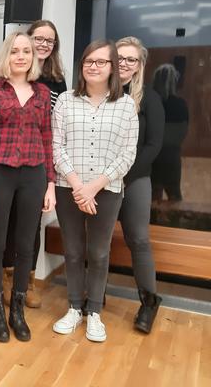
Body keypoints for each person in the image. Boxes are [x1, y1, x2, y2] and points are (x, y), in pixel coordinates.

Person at [52, 39, 138, 343]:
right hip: (68, 188)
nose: (93, 66)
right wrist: (78, 186)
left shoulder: (126, 105)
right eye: (89, 61)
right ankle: (74, 307)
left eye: (101, 62)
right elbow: (56, 146)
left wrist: (93, 187)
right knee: (73, 251)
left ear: (113, 68)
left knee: (99, 253)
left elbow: (128, 154)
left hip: (107, 189)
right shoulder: (65, 100)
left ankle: (94, 312)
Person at [0, 32, 55, 343]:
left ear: (33, 58)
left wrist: (50, 185)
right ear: (6, 56)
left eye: (26, 51)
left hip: (33, 175)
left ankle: (17, 310)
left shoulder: (43, 93)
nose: (20, 56)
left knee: (26, 246)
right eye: (15, 51)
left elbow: (47, 139)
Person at [2, 20, 67, 309]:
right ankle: (7, 278)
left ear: (54, 46)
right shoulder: (12, 75)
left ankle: (27, 282)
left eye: (49, 41)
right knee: (9, 223)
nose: (43, 44)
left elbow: (53, 126)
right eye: (38, 38)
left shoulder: (56, 80)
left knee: (32, 226)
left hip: (38, 158)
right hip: (8, 161)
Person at [116, 36, 165, 334]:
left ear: (139, 65)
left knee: (138, 239)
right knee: (98, 240)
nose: (124, 64)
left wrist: (123, 173)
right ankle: (92, 299)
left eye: (131, 59)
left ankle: (148, 302)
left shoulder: (150, 98)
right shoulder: (100, 94)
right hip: (101, 181)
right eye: (119, 57)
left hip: (134, 178)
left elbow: (153, 145)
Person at [151, 63, 189, 202]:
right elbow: (182, 133)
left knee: (153, 198)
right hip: (171, 157)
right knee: (175, 196)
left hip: (153, 157)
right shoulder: (180, 104)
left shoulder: (150, 102)